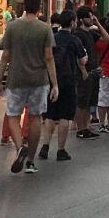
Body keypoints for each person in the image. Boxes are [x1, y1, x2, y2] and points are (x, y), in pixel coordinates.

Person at [0, 0, 58, 175]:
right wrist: (55, 84)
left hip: (16, 78)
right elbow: (49, 57)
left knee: (13, 115)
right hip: (39, 80)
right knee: (36, 117)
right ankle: (30, 160)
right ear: (39, 8)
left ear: (23, 6)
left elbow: (5, 56)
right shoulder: (45, 29)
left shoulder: (13, 27)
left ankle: (19, 147)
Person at [38, 10, 88, 161]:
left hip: (52, 80)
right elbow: (83, 59)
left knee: (50, 115)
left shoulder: (53, 37)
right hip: (68, 81)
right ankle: (61, 150)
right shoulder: (75, 40)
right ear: (72, 22)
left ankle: (45, 146)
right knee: (65, 116)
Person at [72, 8, 105, 140]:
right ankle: (81, 128)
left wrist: (97, 23)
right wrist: (84, 71)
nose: (92, 19)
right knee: (82, 102)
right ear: (81, 19)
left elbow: (106, 38)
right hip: (84, 72)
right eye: (89, 17)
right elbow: (78, 56)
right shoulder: (78, 35)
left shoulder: (91, 33)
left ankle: (86, 127)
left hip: (93, 71)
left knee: (89, 101)